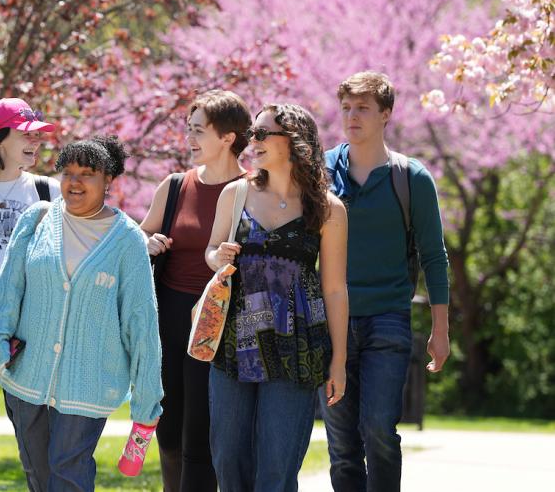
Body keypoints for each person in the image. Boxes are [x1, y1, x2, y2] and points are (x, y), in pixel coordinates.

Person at [0, 135, 162, 492]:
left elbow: (142, 325)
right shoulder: (37, 219)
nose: (74, 182)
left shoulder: (127, 241)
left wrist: (146, 405)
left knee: (68, 476)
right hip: (25, 379)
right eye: (68, 172)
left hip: (89, 385)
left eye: (87, 174)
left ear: (108, 181)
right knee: (37, 475)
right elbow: (7, 288)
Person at [206, 103, 349, 492]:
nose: (253, 142)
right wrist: (217, 256)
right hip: (234, 342)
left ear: (294, 141)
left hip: (297, 347)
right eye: (252, 133)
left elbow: (335, 289)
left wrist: (338, 361)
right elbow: (212, 250)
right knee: (228, 461)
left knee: (277, 469)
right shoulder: (236, 194)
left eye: (262, 134)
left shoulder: (328, 209)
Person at [318, 71, 450, 492]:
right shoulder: (322, 172)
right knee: (341, 443)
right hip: (331, 322)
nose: (351, 117)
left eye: (363, 109)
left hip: (388, 320)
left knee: (378, 429)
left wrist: (440, 331)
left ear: (386, 115)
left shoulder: (411, 178)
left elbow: (434, 257)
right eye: (346, 108)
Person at [140, 89, 251, 492]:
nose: (190, 138)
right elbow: (140, 235)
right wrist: (147, 242)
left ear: (228, 137)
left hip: (221, 321)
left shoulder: (251, 189)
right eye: (189, 129)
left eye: (199, 130)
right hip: (169, 316)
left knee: (201, 434)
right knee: (168, 431)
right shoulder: (174, 185)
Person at [0, 97, 59, 492]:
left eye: (37, 137)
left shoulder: (48, 190)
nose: (35, 144)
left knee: (38, 442)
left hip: (31, 333)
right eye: (26, 135)